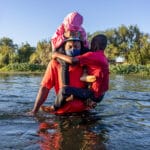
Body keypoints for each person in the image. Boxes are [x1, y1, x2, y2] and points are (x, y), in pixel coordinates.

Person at [29, 37, 90, 115]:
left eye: (76, 47)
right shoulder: (55, 64)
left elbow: (95, 84)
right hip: (62, 112)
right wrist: (34, 110)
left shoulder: (87, 64)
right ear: (64, 48)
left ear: (81, 48)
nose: (73, 49)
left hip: (84, 112)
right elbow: (44, 88)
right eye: (70, 47)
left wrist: (92, 99)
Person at [49, 34, 109, 111]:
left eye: (92, 44)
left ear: (95, 45)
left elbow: (72, 60)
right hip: (100, 95)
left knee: (65, 90)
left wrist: (56, 54)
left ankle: (53, 108)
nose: (90, 47)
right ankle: (78, 97)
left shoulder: (93, 55)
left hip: (94, 94)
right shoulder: (103, 58)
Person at [51, 12, 89, 86]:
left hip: (78, 49)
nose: (73, 30)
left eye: (75, 28)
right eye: (71, 27)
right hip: (61, 50)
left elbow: (86, 44)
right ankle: (66, 87)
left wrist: (82, 39)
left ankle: (85, 73)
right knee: (64, 64)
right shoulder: (61, 28)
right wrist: (64, 36)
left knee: (87, 54)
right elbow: (54, 42)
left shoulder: (81, 30)